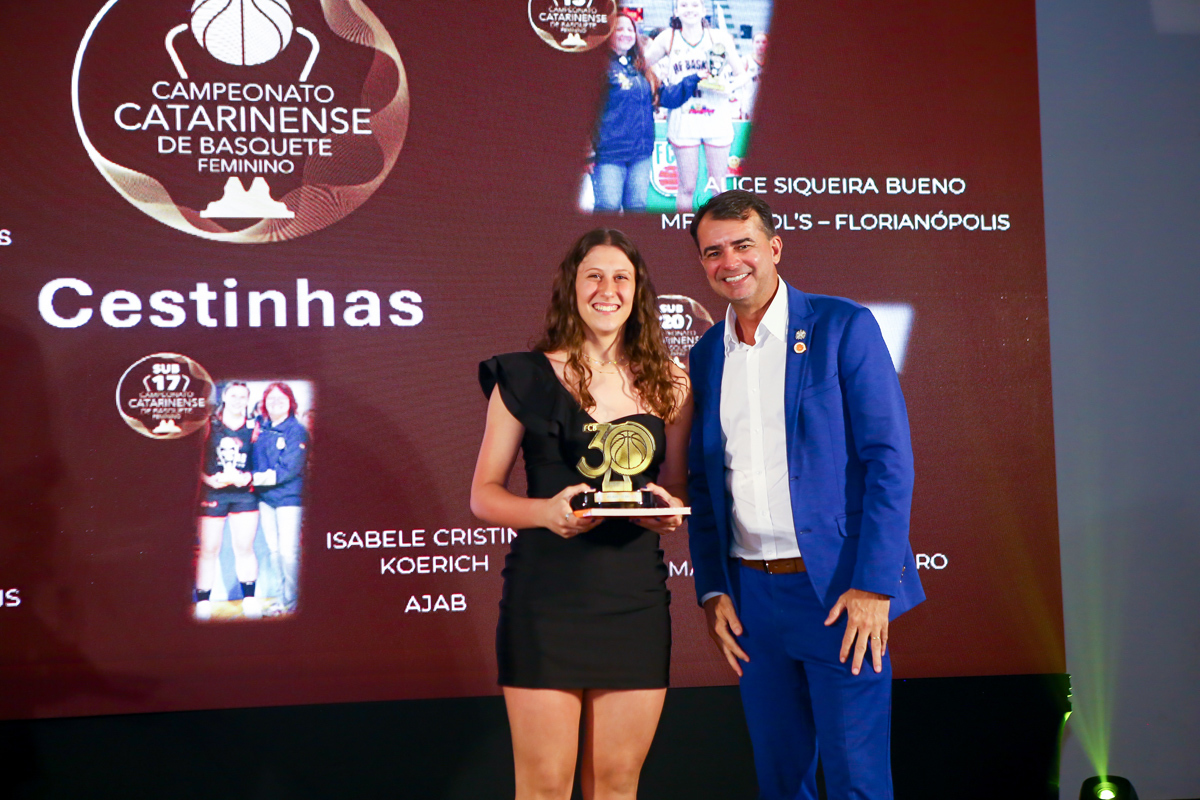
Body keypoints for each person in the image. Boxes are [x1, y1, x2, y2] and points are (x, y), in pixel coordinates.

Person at [684, 191, 925, 800]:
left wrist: (874, 586)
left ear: (775, 247)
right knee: (780, 780)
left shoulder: (841, 326)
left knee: (855, 782)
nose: (730, 262)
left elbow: (889, 462)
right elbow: (705, 483)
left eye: (743, 245)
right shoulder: (706, 355)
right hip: (750, 599)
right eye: (713, 252)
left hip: (839, 592)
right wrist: (713, 589)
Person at [471, 228, 692, 800]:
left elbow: (675, 487)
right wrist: (546, 512)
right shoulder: (522, 377)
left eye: (621, 277)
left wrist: (666, 510)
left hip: (635, 602)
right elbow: (484, 495)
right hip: (545, 602)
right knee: (544, 786)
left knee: (616, 785)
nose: (607, 290)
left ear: (638, 291)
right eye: (593, 276)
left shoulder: (671, 383)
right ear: (571, 287)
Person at [591, 12, 700, 213]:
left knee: (636, 209)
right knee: (608, 208)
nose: (626, 34)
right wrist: (588, 154)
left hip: (640, 156)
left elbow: (666, 97)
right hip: (609, 156)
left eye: (630, 30)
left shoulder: (641, 68)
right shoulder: (598, 67)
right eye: (619, 29)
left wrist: (695, 78)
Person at [645, 0, 743, 212]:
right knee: (686, 186)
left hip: (716, 117)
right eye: (684, 5)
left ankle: (721, 228)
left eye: (695, 5)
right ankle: (683, 229)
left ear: (704, 10)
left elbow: (741, 74)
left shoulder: (718, 37)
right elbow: (640, 64)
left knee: (718, 186)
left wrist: (728, 87)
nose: (689, 9)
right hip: (683, 118)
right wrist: (658, 85)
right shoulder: (668, 38)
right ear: (676, 11)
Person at [194, 381, 261, 621]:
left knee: (244, 548)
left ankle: (250, 600)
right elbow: (191, 459)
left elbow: (262, 462)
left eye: (242, 396)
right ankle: (203, 603)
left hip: (244, 494)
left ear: (248, 400)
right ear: (224, 397)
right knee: (209, 549)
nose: (238, 401)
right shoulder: (209, 424)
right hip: (213, 493)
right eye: (233, 396)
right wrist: (207, 480)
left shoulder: (254, 427)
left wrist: (248, 477)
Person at [251, 382, 309, 615]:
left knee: (288, 553)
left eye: (281, 399)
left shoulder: (297, 430)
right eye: (271, 399)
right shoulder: (260, 428)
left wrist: (251, 479)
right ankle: (281, 601)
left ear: (290, 403)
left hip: (289, 499)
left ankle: (295, 604)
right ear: (264, 403)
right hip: (266, 499)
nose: (276, 403)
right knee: (274, 552)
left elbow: (289, 468)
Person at [737, 32, 767, 120]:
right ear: (752, 43)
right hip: (748, 109)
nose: (760, 45)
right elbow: (738, 85)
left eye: (764, 42)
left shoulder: (772, 63)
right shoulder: (746, 60)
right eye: (757, 42)